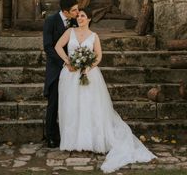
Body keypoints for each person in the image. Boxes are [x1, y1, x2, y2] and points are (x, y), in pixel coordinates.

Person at [55, 10, 156, 173]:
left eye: (83, 16)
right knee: (71, 107)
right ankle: (72, 142)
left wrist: (88, 67)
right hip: (70, 74)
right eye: (78, 15)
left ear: (88, 19)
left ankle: (90, 141)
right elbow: (58, 46)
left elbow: (98, 56)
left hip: (89, 74)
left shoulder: (94, 36)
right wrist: (68, 61)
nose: (80, 18)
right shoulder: (69, 32)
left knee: (89, 107)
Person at [42, 0, 79, 148]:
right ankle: (50, 136)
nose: (78, 12)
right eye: (74, 10)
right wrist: (64, 62)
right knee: (54, 102)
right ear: (65, 11)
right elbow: (48, 46)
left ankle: (70, 135)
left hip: (75, 69)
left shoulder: (76, 20)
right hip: (57, 67)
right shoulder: (51, 21)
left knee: (73, 102)